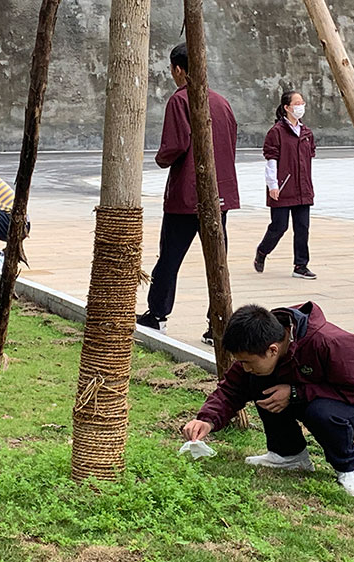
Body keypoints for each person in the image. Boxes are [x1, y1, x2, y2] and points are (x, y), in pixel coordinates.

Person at [182, 302, 354, 498]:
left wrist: (295, 393)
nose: (245, 367)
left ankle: (348, 467)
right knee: (257, 380)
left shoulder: (332, 342)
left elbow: (353, 392)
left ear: (273, 349)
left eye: (247, 362)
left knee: (320, 412)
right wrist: (207, 420)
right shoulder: (261, 339)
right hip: (310, 394)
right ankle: (289, 455)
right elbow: (232, 389)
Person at [136, 43, 240, 345]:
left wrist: (160, 158)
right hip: (219, 194)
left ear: (179, 69)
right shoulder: (222, 102)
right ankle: (217, 325)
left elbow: (175, 145)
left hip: (186, 194)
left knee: (170, 257)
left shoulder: (180, 100)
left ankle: (157, 315)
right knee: (217, 261)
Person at [254, 91, 317, 279]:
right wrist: (272, 185)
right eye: (297, 103)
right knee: (279, 226)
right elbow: (271, 159)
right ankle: (263, 251)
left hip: (303, 189)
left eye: (302, 102)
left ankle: (301, 265)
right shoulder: (276, 132)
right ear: (286, 107)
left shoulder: (306, 133)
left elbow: (309, 158)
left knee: (302, 228)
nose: (301, 106)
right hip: (282, 188)